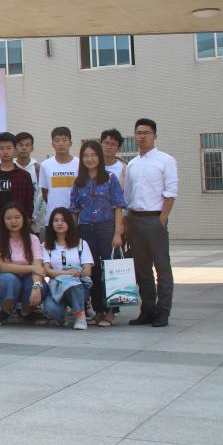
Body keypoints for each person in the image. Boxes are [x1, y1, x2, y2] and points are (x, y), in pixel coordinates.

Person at [123, 118, 178, 328]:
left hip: (155, 219)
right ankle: (147, 310)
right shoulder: (132, 164)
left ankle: (163, 312)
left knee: (162, 268)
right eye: (138, 133)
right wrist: (126, 223)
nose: (142, 136)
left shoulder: (166, 160)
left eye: (146, 133)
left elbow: (171, 192)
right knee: (142, 269)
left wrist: (162, 218)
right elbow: (127, 196)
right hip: (135, 220)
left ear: (155, 135)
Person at [70, 140, 126, 327]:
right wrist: (73, 235)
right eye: (86, 156)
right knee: (91, 270)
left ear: (99, 157)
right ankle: (98, 311)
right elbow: (74, 210)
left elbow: (118, 207)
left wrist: (117, 233)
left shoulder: (110, 178)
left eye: (93, 155)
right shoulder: (78, 182)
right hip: (86, 230)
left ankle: (111, 312)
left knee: (110, 270)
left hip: (107, 228)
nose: (90, 159)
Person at [0, 202, 46, 326]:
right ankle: (5, 311)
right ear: (3, 220)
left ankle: (25, 312)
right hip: (1, 279)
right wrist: (31, 267)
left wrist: (36, 286)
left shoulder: (33, 239)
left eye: (17, 217)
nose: (13, 221)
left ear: (24, 219)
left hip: (26, 278)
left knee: (42, 286)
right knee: (9, 279)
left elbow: (38, 268)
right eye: (8, 218)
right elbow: (2, 267)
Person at [41, 207, 93, 330]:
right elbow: (47, 271)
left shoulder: (81, 244)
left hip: (78, 287)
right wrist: (68, 272)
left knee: (72, 284)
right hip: (56, 287)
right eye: (56, 220)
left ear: (69, 223)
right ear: (51, 224)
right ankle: (61, 317)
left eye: (63, 220)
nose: (59, 223)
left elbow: (87, 271)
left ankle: (80, 316)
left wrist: (78, 274)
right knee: (50, 309)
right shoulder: (46, 246)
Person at [0, 132, 35, 243]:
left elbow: (29, 203)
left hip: (19, 227)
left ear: (15, 150)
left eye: (9, 148)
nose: (5, 152)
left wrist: (26, 225)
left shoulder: (24, 176)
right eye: (2, 148)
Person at [39, 127, 79, 225]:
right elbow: (45, 193)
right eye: (57, 140)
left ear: (70, 143)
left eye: (64, 140)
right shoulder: (45, 165)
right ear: (52, 144)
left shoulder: (79, 163)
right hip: (53, 217)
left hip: (75, 217)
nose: (61, 144)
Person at [15, 131, 45, 235]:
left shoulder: (39, 169)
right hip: (12, 222)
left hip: (35, 224)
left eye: (27, 145)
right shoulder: (8, 168)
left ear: (32, 148)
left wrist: (32, 217)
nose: (24, 148)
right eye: (20, 145)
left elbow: (42, 197)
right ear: (15, 147)